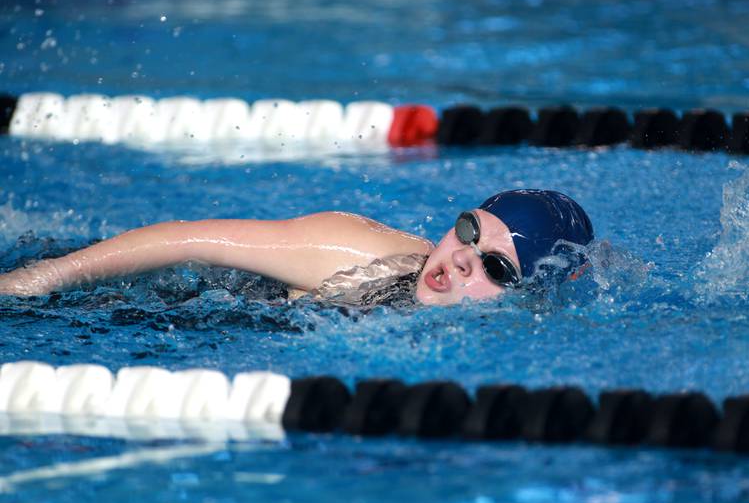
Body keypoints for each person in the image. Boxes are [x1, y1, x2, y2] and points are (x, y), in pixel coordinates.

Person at [0, 189, 594, 307]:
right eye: (469, 230)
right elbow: (191, 239)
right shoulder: (357, 251)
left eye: (495, 267)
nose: (461, 257)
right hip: (167, 299)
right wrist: (51, 276)